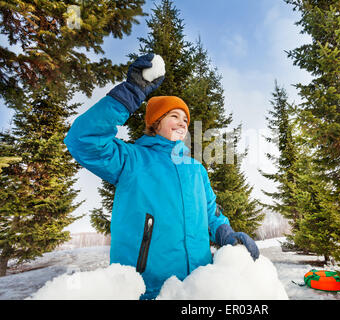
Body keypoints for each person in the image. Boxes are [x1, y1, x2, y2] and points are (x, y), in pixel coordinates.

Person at [64, 53, 259, 299]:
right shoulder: (131, 159)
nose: (182, 123)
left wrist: (227, 234)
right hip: (148, 290)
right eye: (173, 116)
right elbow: (83, 140)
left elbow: (212, 214)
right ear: (155, 123)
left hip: (198, 289)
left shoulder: (196, 170)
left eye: (185, 119)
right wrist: (131, 92)